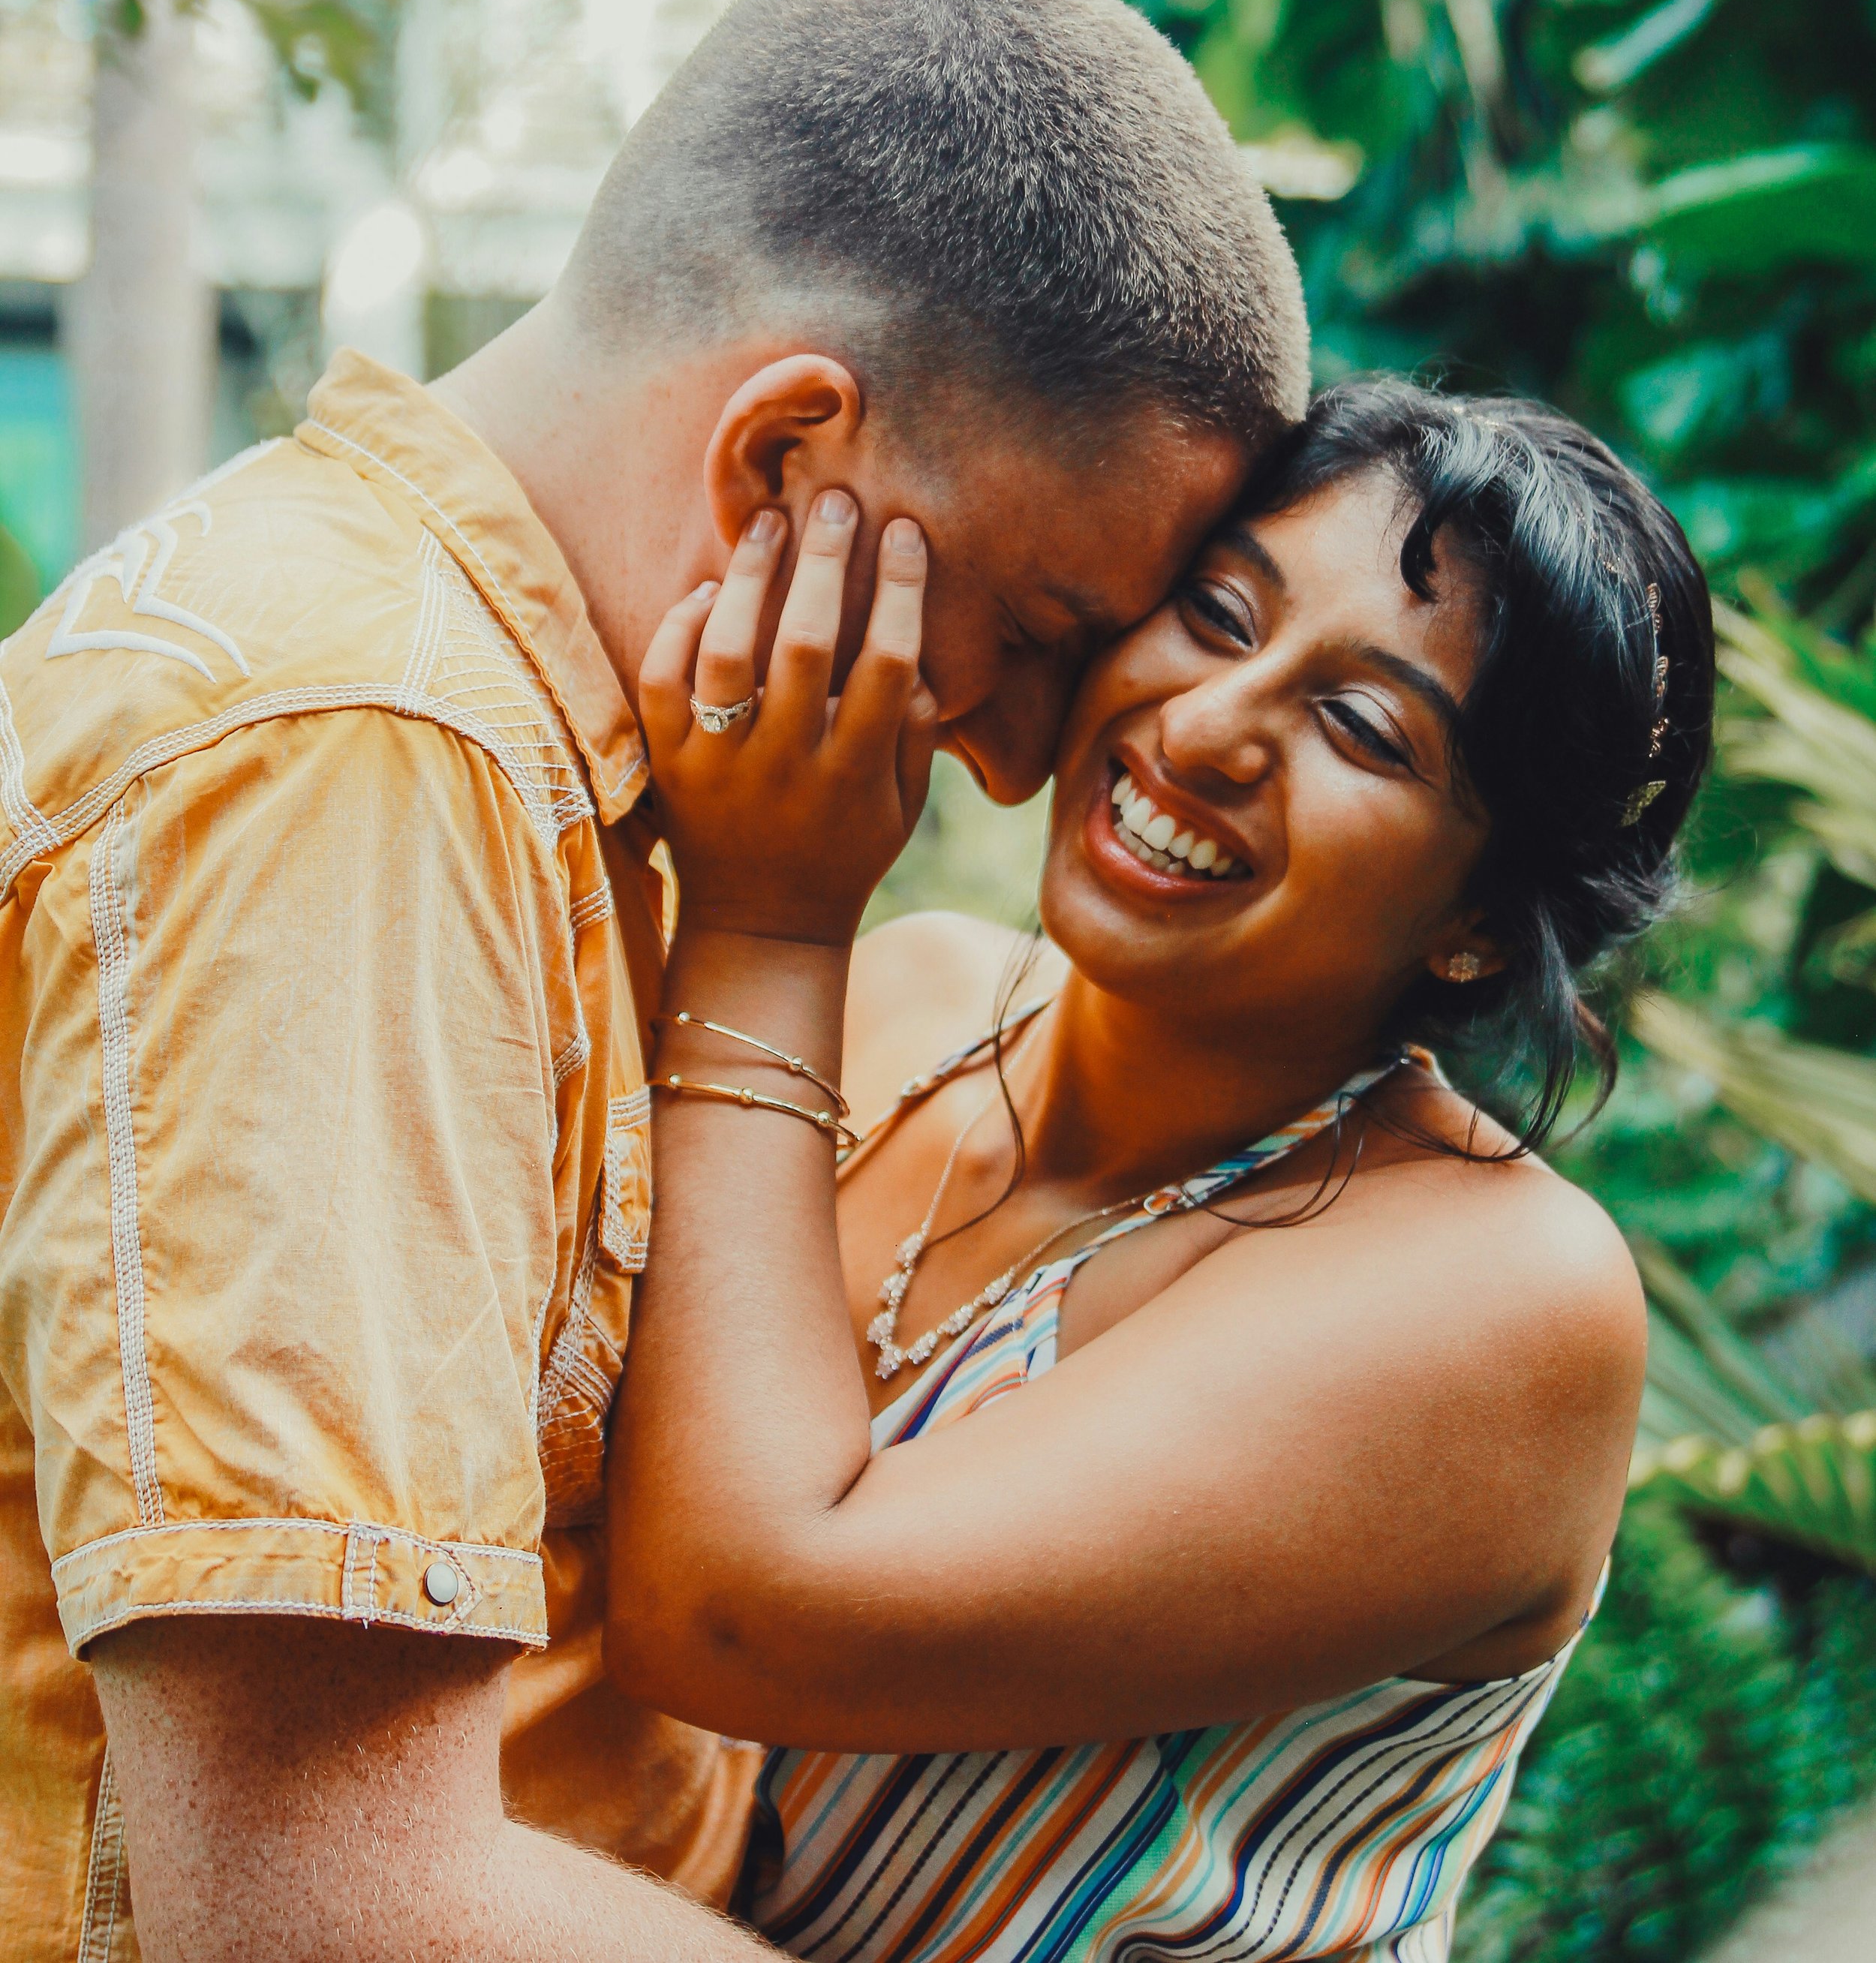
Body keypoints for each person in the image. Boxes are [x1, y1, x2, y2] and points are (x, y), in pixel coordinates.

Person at [0, 0, 1309, 1963]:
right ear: (785, 456)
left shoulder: (508, 740)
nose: (1021, 746)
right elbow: (312, 1900)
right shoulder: (367, 752)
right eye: (1037, 625)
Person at [604, 377, 1715, 1962]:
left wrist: (768, 920)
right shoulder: (900, 998)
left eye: (1357, 727)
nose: (1200, 730)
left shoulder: (1501, 1293)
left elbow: (734, 1614)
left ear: (1479, 921)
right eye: (1212, 611)